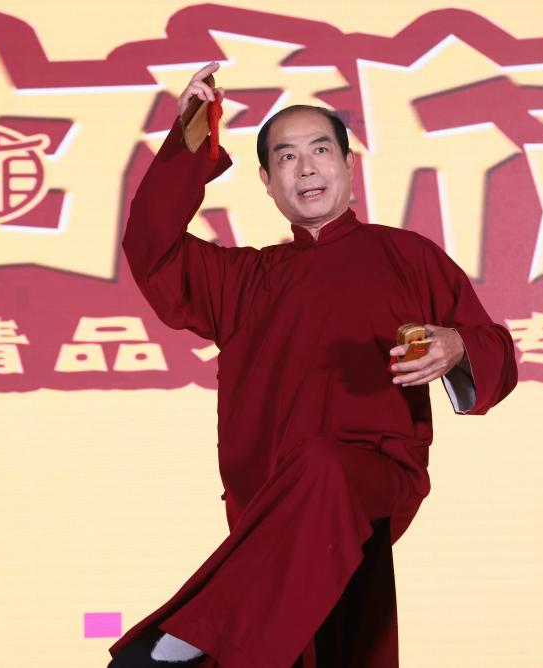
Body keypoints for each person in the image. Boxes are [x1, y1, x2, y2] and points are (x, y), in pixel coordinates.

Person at [108, 62, 517, 668]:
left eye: (321, 150)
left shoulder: (407, 256)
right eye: (286, 158)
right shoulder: (243, 280)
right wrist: (191, 138)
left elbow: (495, 348)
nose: (306, 168)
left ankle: (189, 639)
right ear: (267, 183)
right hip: (272, 501)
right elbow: (150, 244)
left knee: (324, 463)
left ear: (348, 165)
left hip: (376, 477)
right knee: (331, 642)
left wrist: (456, 346)